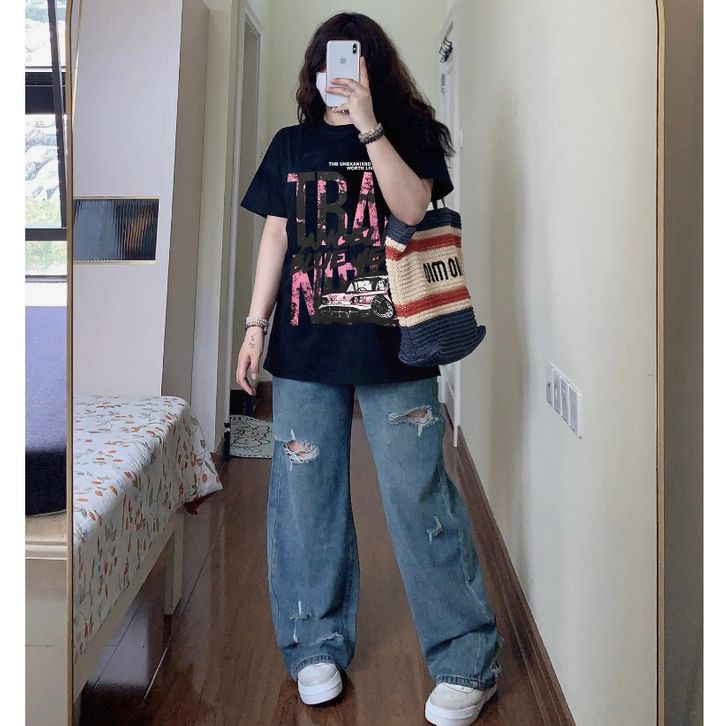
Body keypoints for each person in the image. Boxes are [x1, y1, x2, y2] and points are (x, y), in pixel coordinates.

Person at [237, 12, 503, 726]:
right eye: (326, 61)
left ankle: (467, 660)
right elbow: (276, 236)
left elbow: (413, 207)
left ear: (371, 66)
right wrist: (254, 327)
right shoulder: (290, 143)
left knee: (419, 497)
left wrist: (369, 127)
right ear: (313, 70)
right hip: (304, 352)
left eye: (351, 60)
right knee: (306, 501)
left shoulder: (407, 133)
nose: (337, 72)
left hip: (399, 347)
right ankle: (314, 647)